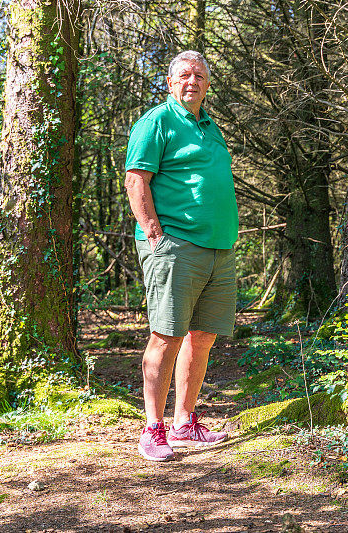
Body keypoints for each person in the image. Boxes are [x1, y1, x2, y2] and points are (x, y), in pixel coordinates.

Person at [124, 50, 239, 462]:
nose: (192, 81)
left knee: (203, 336)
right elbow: (136, 179)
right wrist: (155, 234)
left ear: (208, 84)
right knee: (167, 334)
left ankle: (184, 422)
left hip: (219, 248)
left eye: (200, 76)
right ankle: (152, 429)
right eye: (184, 75)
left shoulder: (210, 126)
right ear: (170, 83)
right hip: (175, 245)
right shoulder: (157, 121)